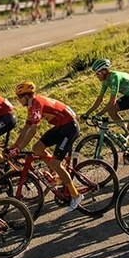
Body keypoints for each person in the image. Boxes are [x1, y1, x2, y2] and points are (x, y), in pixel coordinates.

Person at [11, 81, 83, 209]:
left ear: (27, 96)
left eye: (19, 97)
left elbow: (33, 130)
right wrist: (16, 146)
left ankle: (75, 195)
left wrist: (19, 148)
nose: (18, 100)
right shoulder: (31, 105)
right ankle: (57, 176)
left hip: (69, 128)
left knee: (56, 163)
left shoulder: (36, 104)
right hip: (61, 126)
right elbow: (27, 127)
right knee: (37, 148)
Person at [82, 59, 129, 145]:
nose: (96, 76)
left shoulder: (115, 77)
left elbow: (112, 102)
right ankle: (127, 132)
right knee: (111, 111)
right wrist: (87, 113)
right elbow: (99, 100)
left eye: (98, 73)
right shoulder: (105, 81)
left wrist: (99, 114)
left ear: (104, 72)